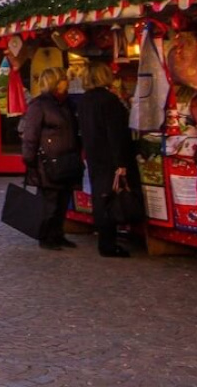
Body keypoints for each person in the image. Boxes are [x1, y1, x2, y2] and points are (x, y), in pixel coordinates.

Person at [77, 62, 138, 257]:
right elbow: (115, 133)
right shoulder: (109, 100)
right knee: (110, 197)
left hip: (94, 155)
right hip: (109, 156)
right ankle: (108, 244)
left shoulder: (85, 100)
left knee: (101, 197)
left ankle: (105, 240)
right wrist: (120, 162)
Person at [21, 67, 81, 251]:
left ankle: (58, 234)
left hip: (67, 159)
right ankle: (46, 236)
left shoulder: (68, 103)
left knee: (63, 200)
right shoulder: (39, 105)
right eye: (63, 78)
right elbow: (30, 134)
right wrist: (29, 159)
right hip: (48, 161)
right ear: (55, 82)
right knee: (50, 201)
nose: (67, 81)